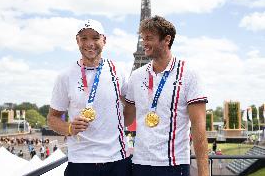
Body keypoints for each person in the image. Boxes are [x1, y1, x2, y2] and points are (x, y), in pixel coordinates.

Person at [124, 15, 209, 176]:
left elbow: (199, 128)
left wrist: (204, 173)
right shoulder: (136, 76)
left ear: (167, 39)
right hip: (140, 164)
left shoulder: (189, 74)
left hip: (174, 166)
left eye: (149, 38)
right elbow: (126, 119)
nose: (144, 43)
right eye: (142, 38)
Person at [47, 19, 131, 176]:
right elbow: (52, 118)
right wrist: (69, 128)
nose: (89, 43)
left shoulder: (118, 71)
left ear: (104, 40)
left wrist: (119, 124)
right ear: (77, 41)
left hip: (117, 160)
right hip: (80, 162)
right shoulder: (65, 76)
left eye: (95, 37)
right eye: (84, 38)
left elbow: (131, 106)